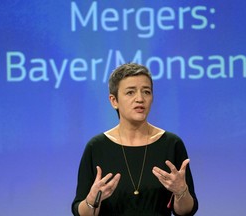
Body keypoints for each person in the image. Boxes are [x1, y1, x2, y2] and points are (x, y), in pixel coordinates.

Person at [71, 63, 198, 216]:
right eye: (130, 92)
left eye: (146, 92)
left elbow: (185, 211)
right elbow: (81, 212)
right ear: (114, 101)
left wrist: (181, 191)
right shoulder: (96, 147)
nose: (140, 98)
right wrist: (92, 199)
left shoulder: (171, 144)